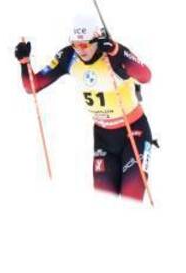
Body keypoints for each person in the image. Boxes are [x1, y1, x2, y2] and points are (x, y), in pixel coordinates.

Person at [14, 13, 154, 201]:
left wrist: (116, 50)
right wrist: (24, 63)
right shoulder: (68, 56)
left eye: (85, 43)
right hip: (104, 136)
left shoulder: (112, 53)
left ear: (97, 38)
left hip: (134, 131)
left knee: (131, 197)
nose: (80, 49)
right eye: (75, 44)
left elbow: (145, 76)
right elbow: (32, 86)